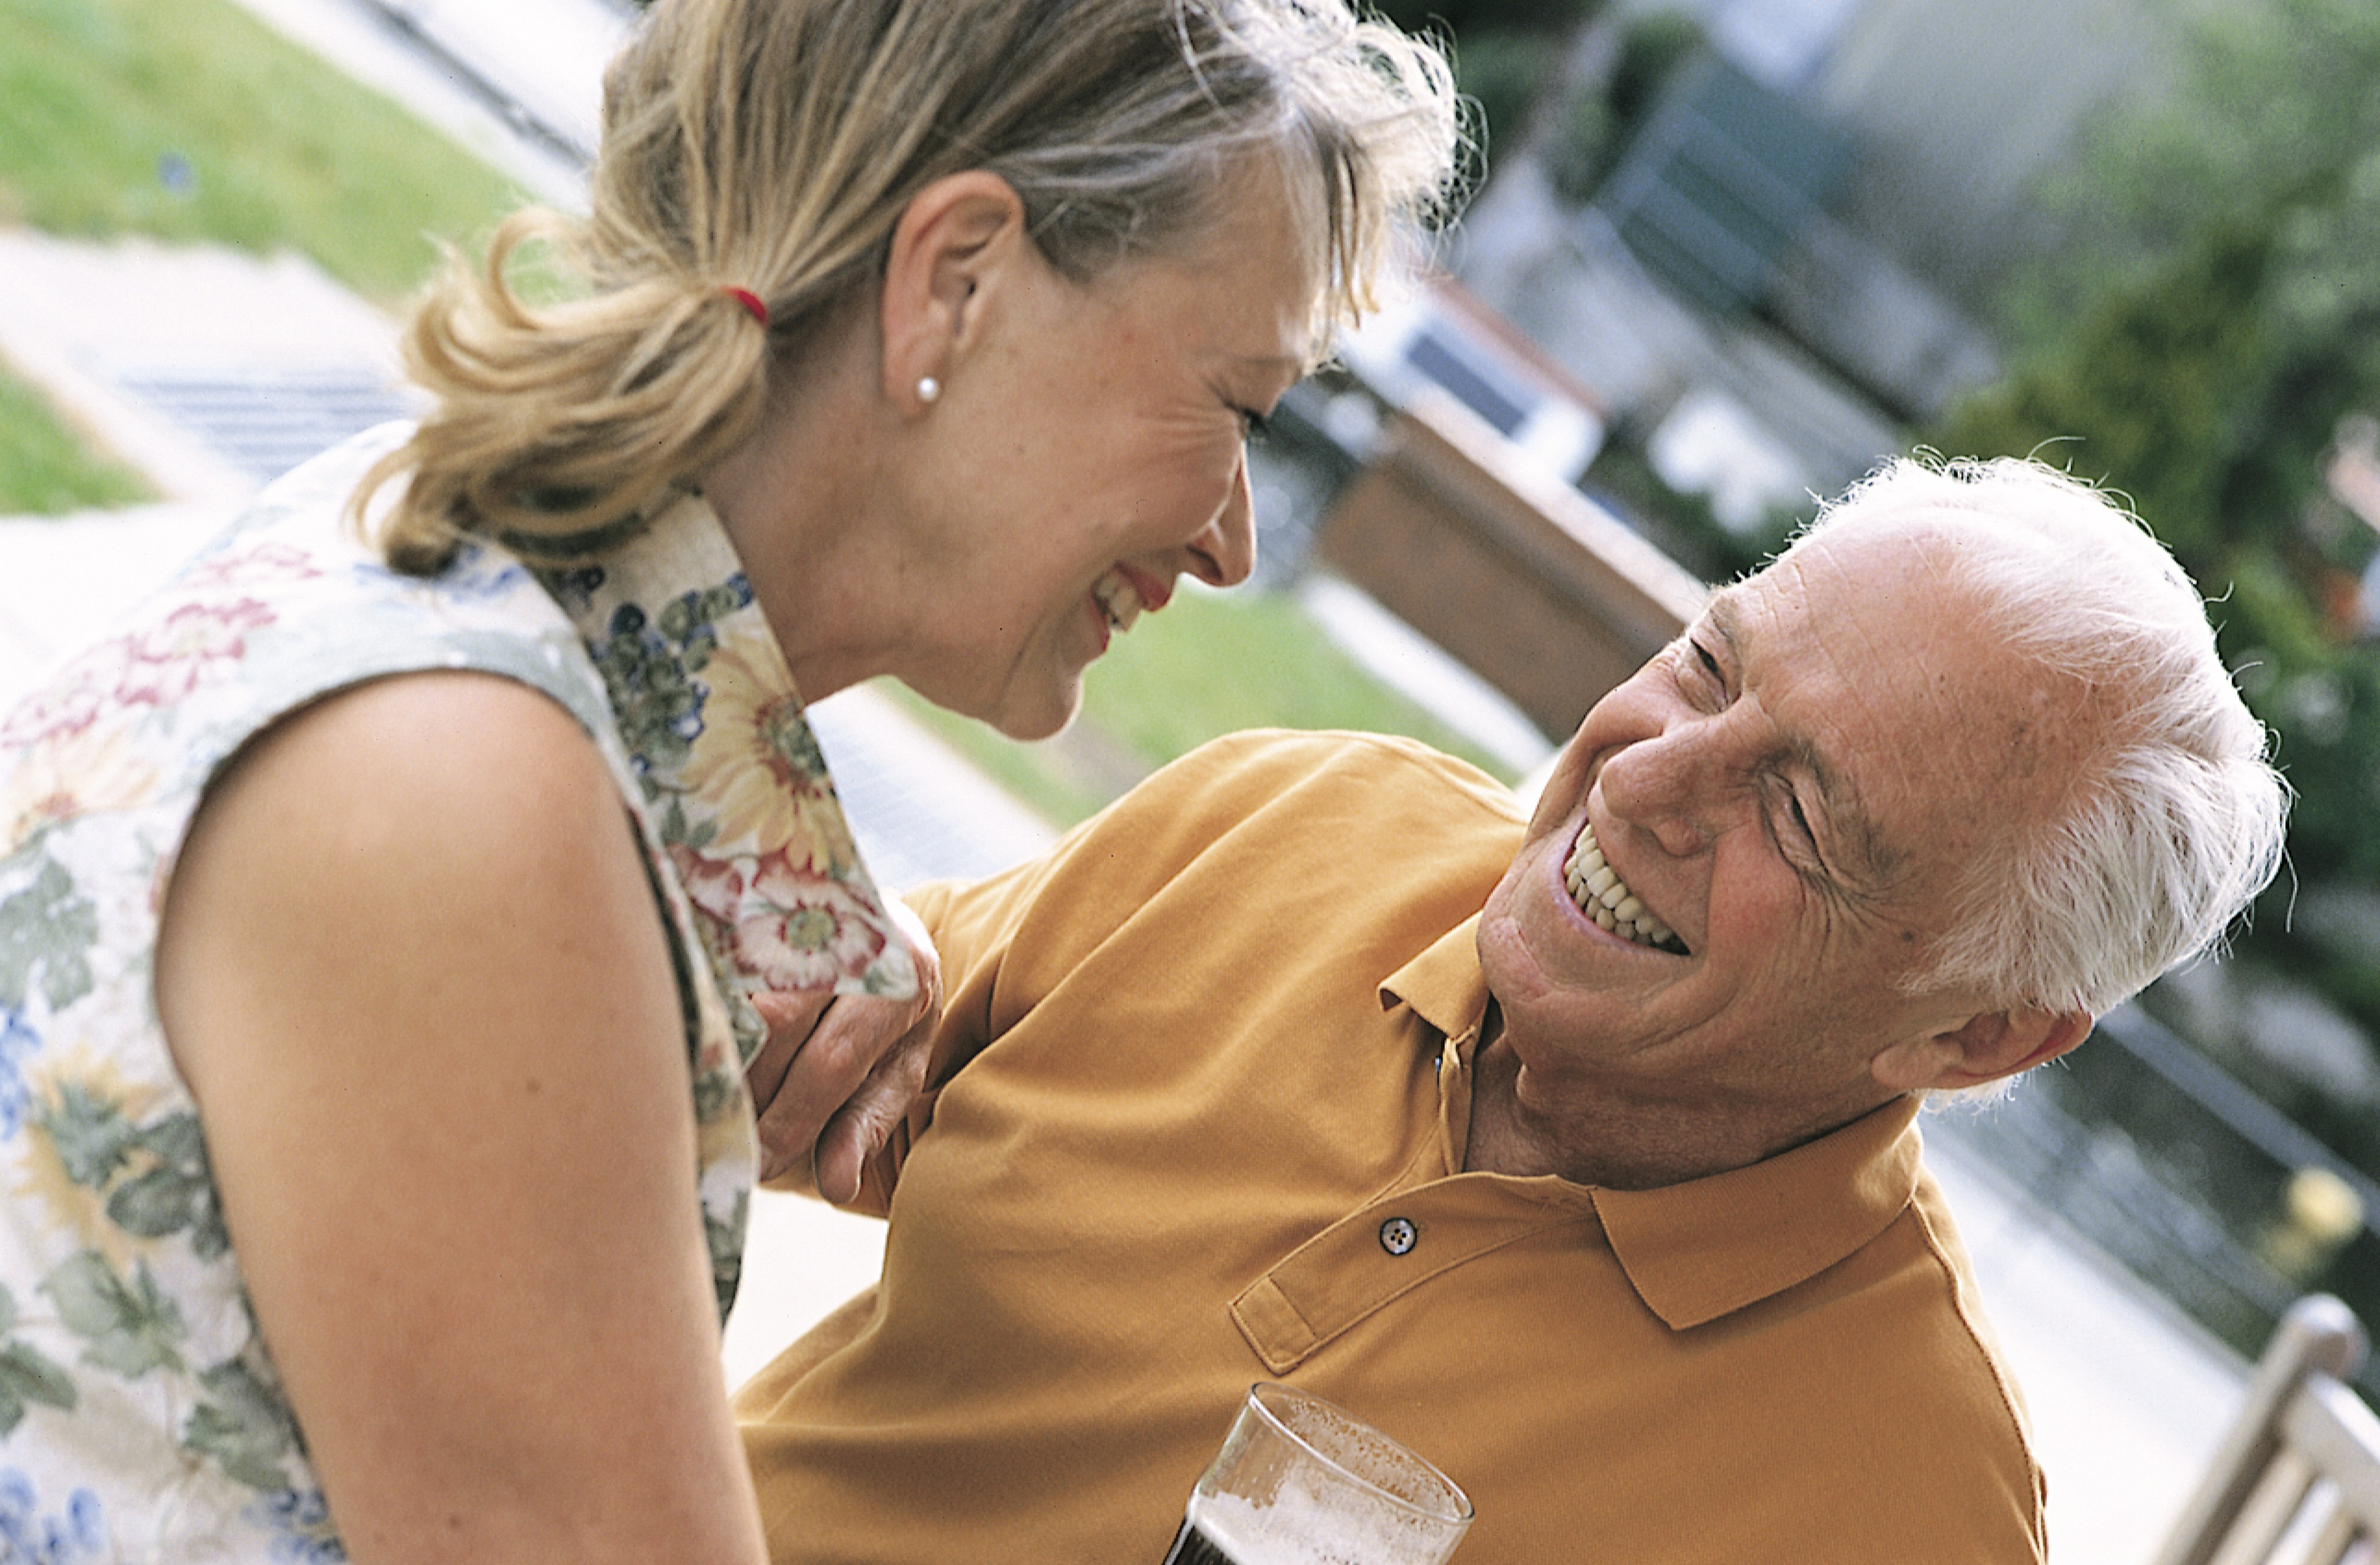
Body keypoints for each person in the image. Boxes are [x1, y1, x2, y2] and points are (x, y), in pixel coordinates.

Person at [0, 0, 1459, 1559]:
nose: (1231, 538)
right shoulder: (471, 798)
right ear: (953, 284)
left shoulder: (457, 569)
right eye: (1234, 405)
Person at [732, 456, 2290, 1564]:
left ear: (1975, 1039)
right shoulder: (1304, 819)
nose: (1645, 774)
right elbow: (780, 1040)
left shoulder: (1909, 1509)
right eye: (1703, 663)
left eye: (1802, 819)